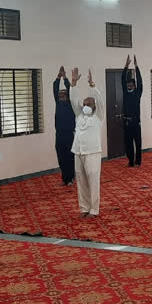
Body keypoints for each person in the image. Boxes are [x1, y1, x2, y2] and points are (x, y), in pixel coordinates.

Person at [70, 68, 104, 218]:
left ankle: (94, 209)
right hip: (78, 151)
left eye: (88, 104)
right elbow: (73, 100)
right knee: (81, 180)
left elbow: (100, 101)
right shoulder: (79, 116)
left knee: (93, 180)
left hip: (92, 153)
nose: (85, 106)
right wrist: (73, 84)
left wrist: (92, 86)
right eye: (84, 104)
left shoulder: (98, 117)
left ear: (94, 106)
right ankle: (84, 208)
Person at [53, 66, 76, 186]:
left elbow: (70, 89)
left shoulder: (70, 103)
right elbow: (54, 87)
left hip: (69, 134)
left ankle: (71, 177)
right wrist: (58, 77)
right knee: (61, 156)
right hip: (59, 134)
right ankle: (65, 178)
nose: (61, 96)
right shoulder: (58, 103)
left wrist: (65, 78)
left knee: (69, 157)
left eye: (63, 94)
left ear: (67, 96)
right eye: (59, 95)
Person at [122, 55, 143, 167]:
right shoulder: (125, 94)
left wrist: (136, 67)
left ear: (134, 85)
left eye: (131, 84)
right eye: (128, 84)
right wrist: (126, 66)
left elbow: (140, 82)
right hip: (126, 122)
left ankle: (138, 161)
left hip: (136, 122)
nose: (129, 85)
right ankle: (130, 161)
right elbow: (122, 80)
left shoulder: (137, 93)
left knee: (138, 142)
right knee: (128, 143)